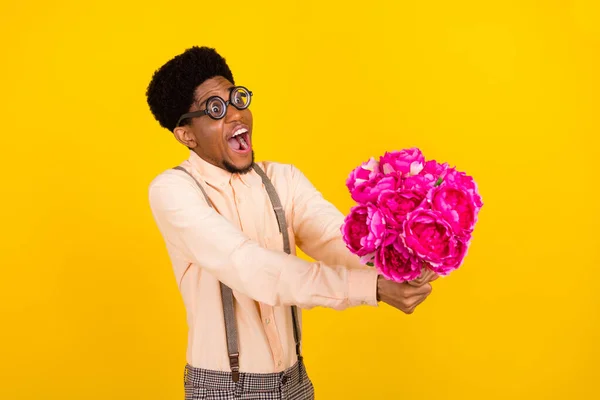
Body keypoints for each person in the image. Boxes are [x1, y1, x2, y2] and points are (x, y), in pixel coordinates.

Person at [145, 46, 436, 400]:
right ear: (187, 135)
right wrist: (371, 288)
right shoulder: (173, 191)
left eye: (236, 98)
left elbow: (334, 238)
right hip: (221, 390)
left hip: (295, 383)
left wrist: (398, 262)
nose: (236, 114)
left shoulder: (284, 179)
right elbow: (251, 268)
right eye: (215, 109)